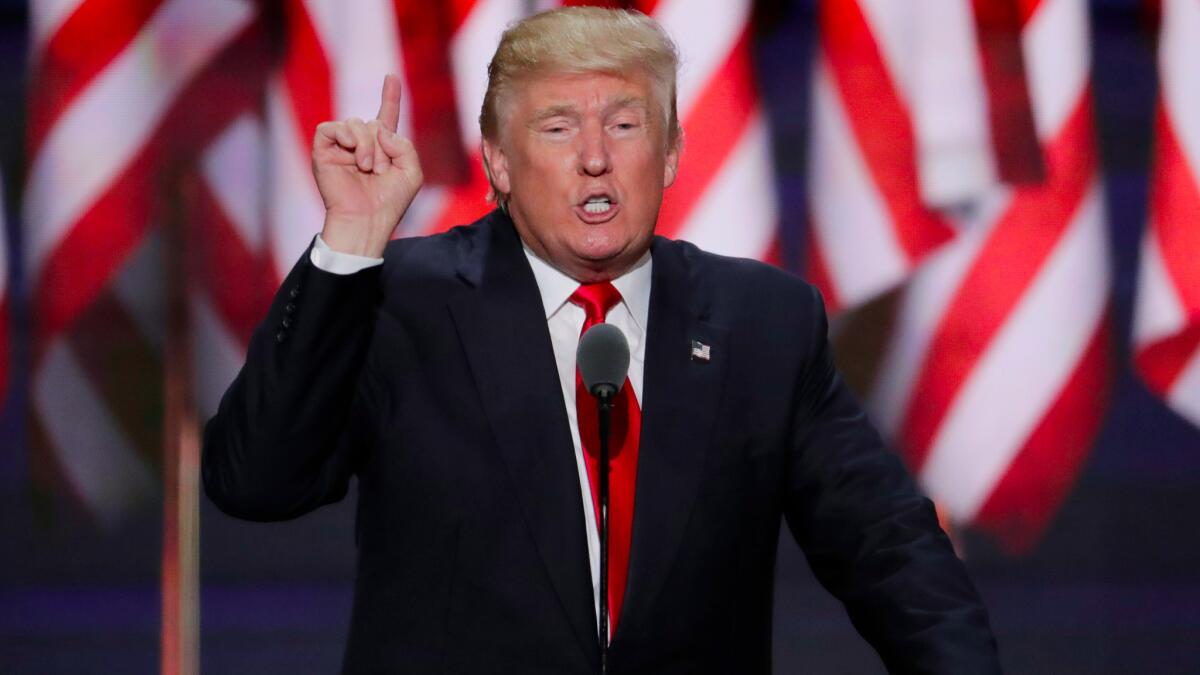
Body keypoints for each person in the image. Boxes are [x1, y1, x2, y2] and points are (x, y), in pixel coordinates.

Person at [203, 7, 1001, 674]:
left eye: (624, 123)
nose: (594, 158)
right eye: (557, 127)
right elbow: (256, 480)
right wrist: (350, 241)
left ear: (673, 152)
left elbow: (891, 549)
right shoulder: (403, 301)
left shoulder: (763, 321)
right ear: (499, 162)